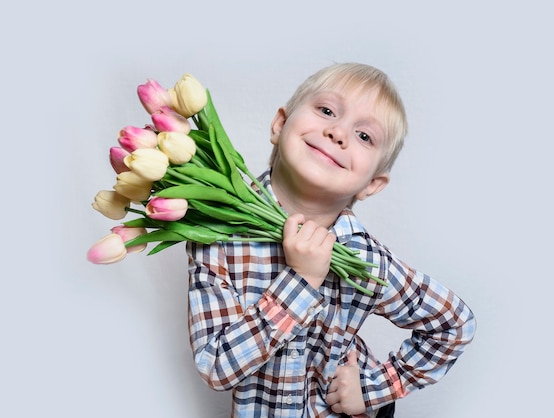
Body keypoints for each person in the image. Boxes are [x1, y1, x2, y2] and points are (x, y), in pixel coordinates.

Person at [186, 62, 476, 418]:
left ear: (372, 184)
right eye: (326, 111)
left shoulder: (360, 256)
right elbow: (216, 366)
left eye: (364, 136)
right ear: (280, 124)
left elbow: (454, 323)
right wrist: (301, 281)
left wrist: (373, 390)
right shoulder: (219, 235)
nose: (338, 132)